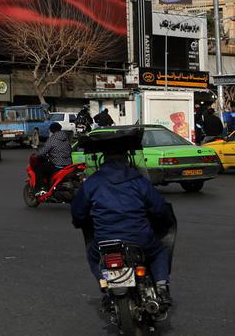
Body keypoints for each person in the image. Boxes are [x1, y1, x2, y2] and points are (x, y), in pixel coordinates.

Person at [71, 139, 173, 308]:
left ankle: (105, 286)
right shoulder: (138, 181)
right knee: (158, 251)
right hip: (140, 238)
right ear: (127, 159)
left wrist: (80, 222)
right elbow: (159, 207)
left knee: (93, 255)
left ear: (103, 160)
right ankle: (162, 286)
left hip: (105, 240)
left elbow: (78, 211)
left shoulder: (92, 182)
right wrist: (163, 219)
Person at [35, 122, 73, 193]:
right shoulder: (65, 137)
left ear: (52, 130)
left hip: (57, 164)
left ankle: (42, 188)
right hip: (68, 164)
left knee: (38, 169)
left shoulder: (52, 139)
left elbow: (44, 151)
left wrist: (36, 155)